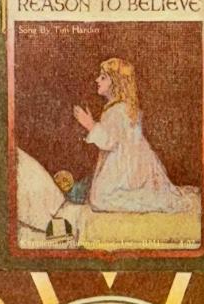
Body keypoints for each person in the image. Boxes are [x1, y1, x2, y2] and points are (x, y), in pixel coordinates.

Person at [72, 58, 192, 213]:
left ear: (117, 83)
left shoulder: (118, 110)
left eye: (103, 77)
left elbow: (110, 141)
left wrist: (90, 124)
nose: (97, 80)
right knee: (98, 196)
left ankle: (157, 199)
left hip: (127, 165)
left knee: (101, 198)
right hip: (127, 161)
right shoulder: (119, 108)